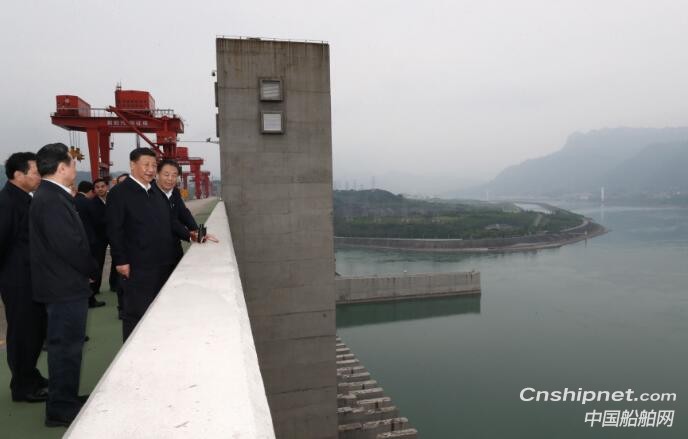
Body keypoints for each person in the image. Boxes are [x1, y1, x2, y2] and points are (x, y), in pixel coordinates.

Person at [29, 143, 98, 427]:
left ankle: (66, 400)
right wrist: (91, 269)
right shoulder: (51, 199)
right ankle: (59, 410)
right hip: (64, 288)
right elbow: (69, 245)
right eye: (72, 164)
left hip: (62, 286)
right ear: (61, 168)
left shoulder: (49, 196)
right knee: (65, 350)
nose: (74, 168)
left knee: (67, 349)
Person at [106, 149, 180, 341]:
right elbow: (115, 229)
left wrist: (193, 234)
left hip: (162, 263)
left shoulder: (156, 192)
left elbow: (171, 222)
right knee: (136, 314)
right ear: (132, 164)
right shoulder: (119, 193)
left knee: (158, 310)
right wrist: (121, 261)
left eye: (154, 165)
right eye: (146, 164)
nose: (150, 169)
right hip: (137, 266)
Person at [0, 152, 48, 403]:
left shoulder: (26, 199)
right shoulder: (7, 201)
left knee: (36, 330)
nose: (39, 176)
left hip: (32, 277)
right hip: (18, 280)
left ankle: (31, 374)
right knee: (22, 333)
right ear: (18, 175)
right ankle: (22, 386)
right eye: (35, 172)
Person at [74, 181, 105, 308]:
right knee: (93, 268)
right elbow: (97, 220)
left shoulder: (73, 201)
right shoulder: (88, 202)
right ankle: (91, 297)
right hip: (91, 240)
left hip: (78, 240)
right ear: (90, 191)